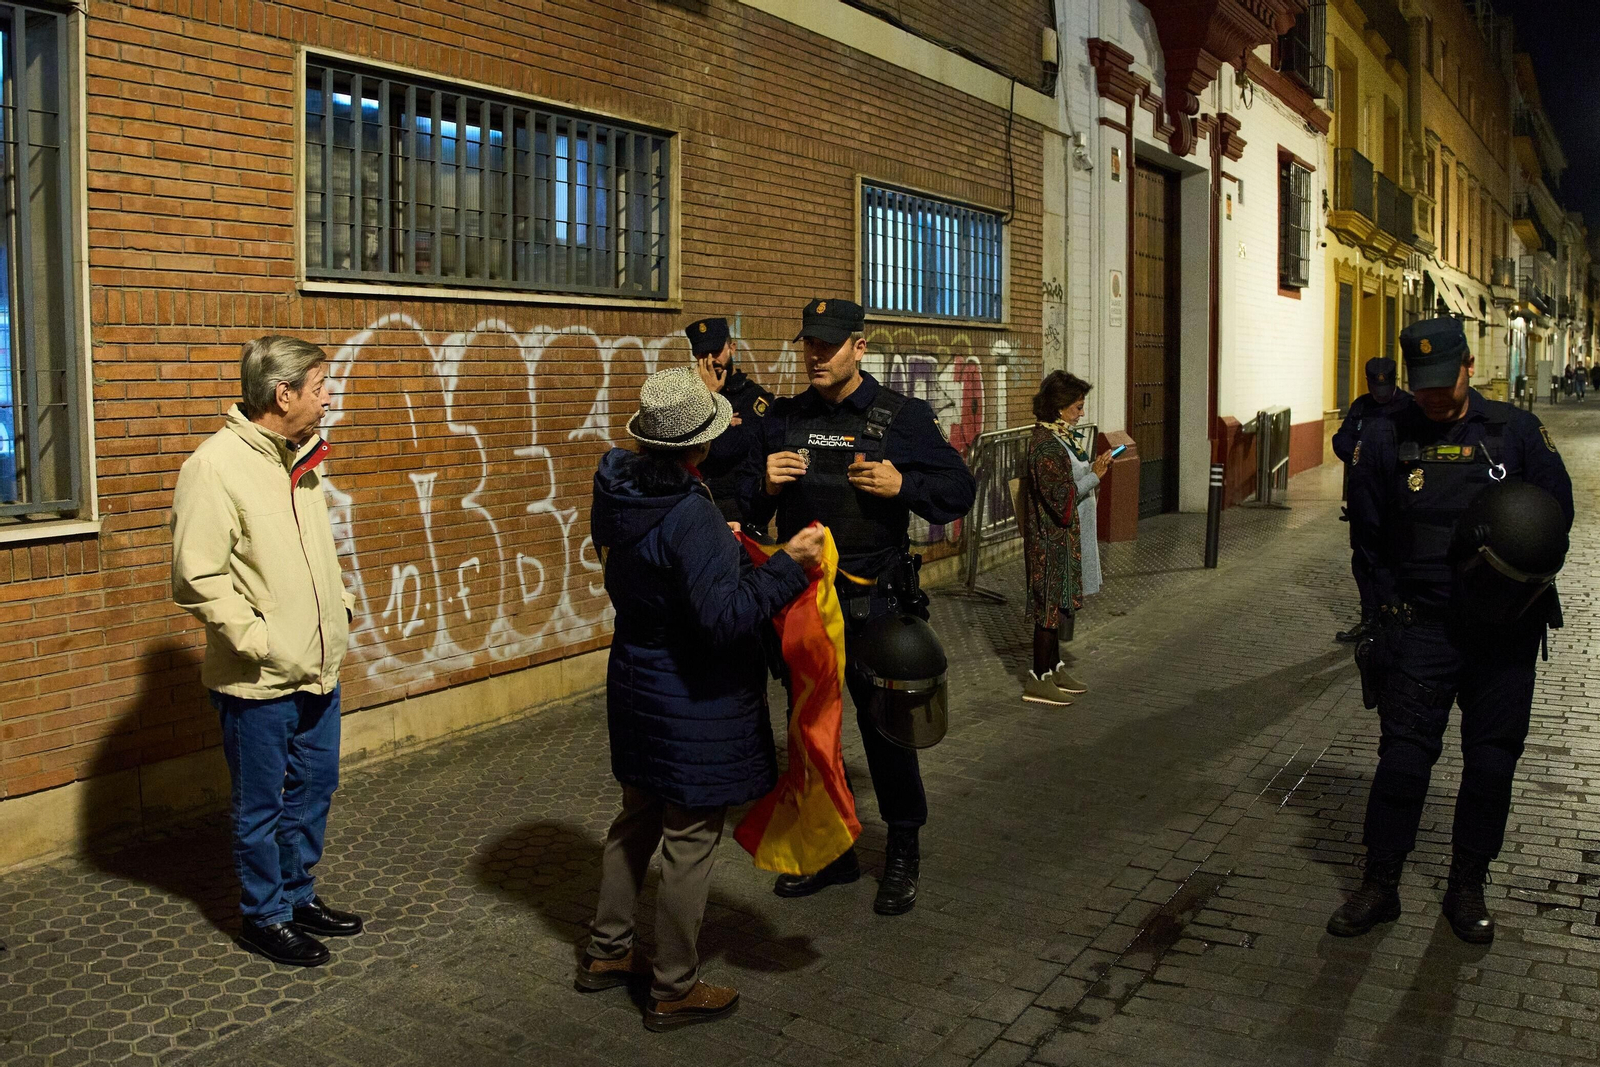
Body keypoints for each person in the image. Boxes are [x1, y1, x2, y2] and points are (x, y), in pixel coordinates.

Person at [580, 365, 826, 1032]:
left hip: (635, 681)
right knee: (689, 840)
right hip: (691, 698)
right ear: (700, 446)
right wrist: (787, 565)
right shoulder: (690, 516)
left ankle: (607, 951)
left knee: (635, 820)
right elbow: (725, 618)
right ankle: (673, 985)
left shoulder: (619, 485)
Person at [1328, 317, 1573, 944]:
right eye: (1422, 385)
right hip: (1423, 630)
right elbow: (1370, 538)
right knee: (1403, 762)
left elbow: (1555, 515)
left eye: (1444, 382)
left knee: (1491, 765)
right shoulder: (1385, 436)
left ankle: (1468, 885)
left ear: (1468, 367)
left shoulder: (1514, 433)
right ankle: (1380, 884)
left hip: (1503, 635)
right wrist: (1382, 619)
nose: (1433, 396)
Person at [741, 297, 977, 916]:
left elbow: (960, 491)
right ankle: (831, 850)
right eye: (809, 345)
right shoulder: (784, 419)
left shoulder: (901, 417)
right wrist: (762, 484)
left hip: (873, 607)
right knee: (811, 734)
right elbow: (740, 503)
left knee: (886, 735)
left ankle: (903, 849)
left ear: (858, 347)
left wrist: (907, 486)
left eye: (829, 344)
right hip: (804, 608)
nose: (815, 355)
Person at [170, 336, 363, 968]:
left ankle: (298, 895)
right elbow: (197, 575)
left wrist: (338, 615)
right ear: (284, 395)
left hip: (317, 667)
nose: (329, 396)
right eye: (320, 386)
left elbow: (310, 559)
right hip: (258, 680)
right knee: (262, 804)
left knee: (314, 789)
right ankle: (265, 915)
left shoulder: (299, 455)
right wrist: (261, 643)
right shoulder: (215, 466)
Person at [1020, 372, 1113, 705]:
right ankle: (1038, 679)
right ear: (1059, 407)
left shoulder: (1064, 438)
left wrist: (1093, 471)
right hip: (1050, 542)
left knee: (1059, 608)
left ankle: (1055, 667)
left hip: (1067, 539)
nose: (1082, 413)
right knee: (1048, 610)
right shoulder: (1045, 445)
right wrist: (1095, 477)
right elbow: (1059, 498)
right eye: (1078, 406)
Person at [1331, 357, 1412, 643]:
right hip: (1364, 498)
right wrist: (1355, 450)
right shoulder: (1361, 406)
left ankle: (1394, 619)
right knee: (1363, 560)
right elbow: (1341, 439)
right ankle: (1370, 619)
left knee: (1393, 561)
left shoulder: (1408, 407)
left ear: (1394, 383)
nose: (1381, 394)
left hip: (1396, 500)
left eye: (1385, 388)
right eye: (1376, 388)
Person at [687, 317, 774, 527]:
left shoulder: (754, 398)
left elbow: (725, 449)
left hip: (738, 509)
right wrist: (716, 411)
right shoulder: (688, 397)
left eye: (716, 352)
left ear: (732, 348)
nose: (710, 360)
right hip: (695, 503)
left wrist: (708, 405)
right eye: (702, 354)